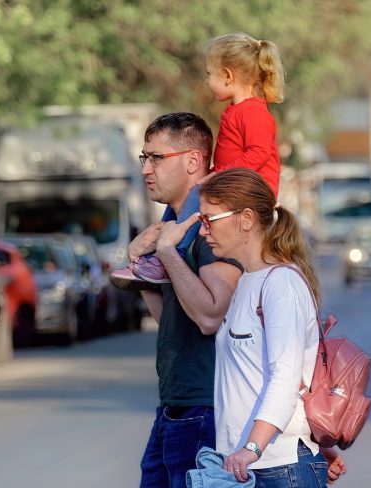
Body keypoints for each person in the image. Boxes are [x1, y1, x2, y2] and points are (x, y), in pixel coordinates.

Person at [162, 168, 347, 487]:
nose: (203, 231)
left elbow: (285, 376)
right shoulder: (247, 281)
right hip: (246, 464)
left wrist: (252, 447)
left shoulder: (281, 284)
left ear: (245, 219)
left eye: (209, 219)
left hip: (277, 465)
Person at [112, 32, 285, 285]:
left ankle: (174, 254)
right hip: (232, 181)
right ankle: (155, 255)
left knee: (196, 196)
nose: (206, 81)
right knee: (178, 201)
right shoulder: (238, 111)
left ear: (227, 76)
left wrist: (218, 175)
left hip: (249, 189)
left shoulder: (254, 113)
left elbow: (259, 154)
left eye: (209, 74)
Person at [129, 113, 243, 488]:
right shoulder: (172, 222)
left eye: (156, 158)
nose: (147, 168)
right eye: (143, 158)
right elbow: (173, 318)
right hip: (174, 405)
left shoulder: (210, 224)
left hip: (207, 407)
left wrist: (167, 253)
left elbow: (211, 315)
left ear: (193, 160)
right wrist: (140, 264)